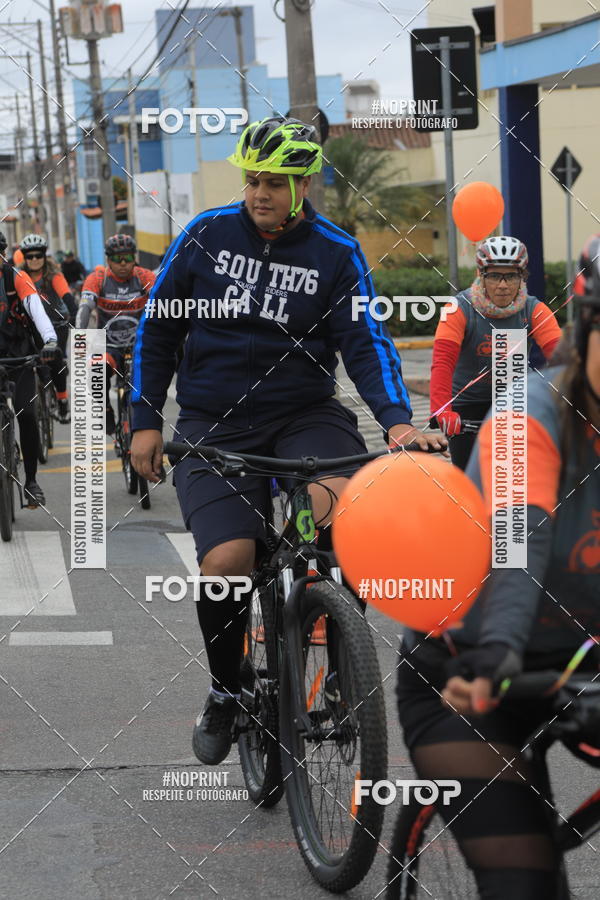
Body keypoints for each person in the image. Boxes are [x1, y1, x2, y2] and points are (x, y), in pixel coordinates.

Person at [129, 114, 447, 766]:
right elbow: (156, 331)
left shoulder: (337, 251)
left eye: (275, 181)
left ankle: (334, 665)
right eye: (252, 180)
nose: (260, 192)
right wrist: (144, 419)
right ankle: (226, 689)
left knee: (340, 517)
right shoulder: (205, 236)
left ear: (304, 183)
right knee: (226, 564)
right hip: (214, 420)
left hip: (305, 413)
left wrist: (398, 421)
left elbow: (367, 344)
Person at [396, 290, 600, 900]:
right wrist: (501, 652)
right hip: (472, 670)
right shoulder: (525, 415)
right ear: (585, 330)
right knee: (525, 886)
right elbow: (518, 545)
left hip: (583, 664)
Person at [430, 236, 562, 469]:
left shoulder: (534, 309)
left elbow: (564, 361)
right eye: (494, 276)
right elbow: (442, 363)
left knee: (516, 478)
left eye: (511, 276)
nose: (503, 284)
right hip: (466, 406)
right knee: (468, 482)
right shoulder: (458, 308)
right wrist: (442, 409)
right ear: (481, 276)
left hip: (513, 402)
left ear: (522, 277)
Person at [0, 231, 59, 506]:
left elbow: (38, 312)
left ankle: (31, 481)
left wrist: (50, 340)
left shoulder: (16, 278)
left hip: (18, 355)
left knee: (26, 413)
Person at [75, 234, 155, 434]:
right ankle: (106, 410)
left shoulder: (145, 277)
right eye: (117, 259)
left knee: (154, 381)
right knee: (96, 372)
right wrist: (79, 335)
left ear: (134, 258)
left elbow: (164, 304)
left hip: (139, 343)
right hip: (107, 345)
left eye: (127, 258)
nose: (123, 263)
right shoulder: (98, 279)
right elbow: (85, 308)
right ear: (108, 260)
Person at [19, 234, 76, 424]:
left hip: (57, 326)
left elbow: (67, 296)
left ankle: (62, 401)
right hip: (31, 328)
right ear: (24, 258)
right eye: (30, 256)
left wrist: (76, 315)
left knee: (55, 361)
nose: (34, 260)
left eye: (38, 255)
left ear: (44, 256)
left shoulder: (54, 276)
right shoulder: (18, 277)